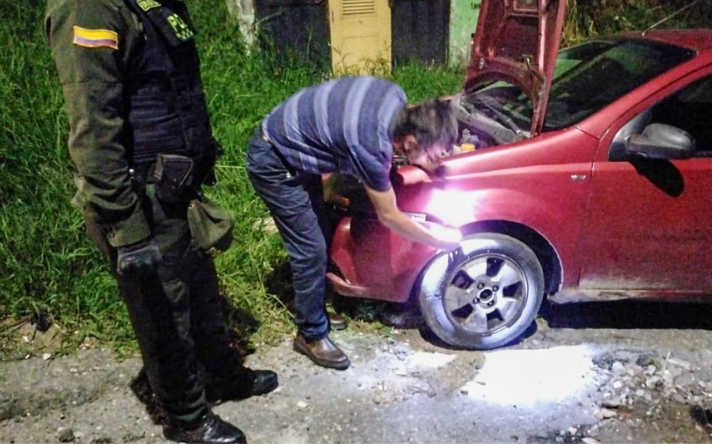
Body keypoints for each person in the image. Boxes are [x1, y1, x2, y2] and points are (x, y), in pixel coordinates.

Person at [46, 1, 276, 442]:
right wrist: (126, 231)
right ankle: (187, 418)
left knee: (203, 296)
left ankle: (222, 376)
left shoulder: (154, 3)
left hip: (176, 189)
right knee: (163, 317)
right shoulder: (88, 8)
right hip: (139, 201)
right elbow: (93, 130)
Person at [246, 76, 463, 370]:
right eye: (431, 153)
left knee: (319, 231)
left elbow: (346, 140)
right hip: (274, 160)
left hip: (293, 140)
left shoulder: (395, 97)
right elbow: (390, 216)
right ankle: (310, 335)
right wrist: (439, 241)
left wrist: (433, 167)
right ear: (410, 140)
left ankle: (310, 306)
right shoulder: (372, 147)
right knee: (310, 249)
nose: (433, 159)